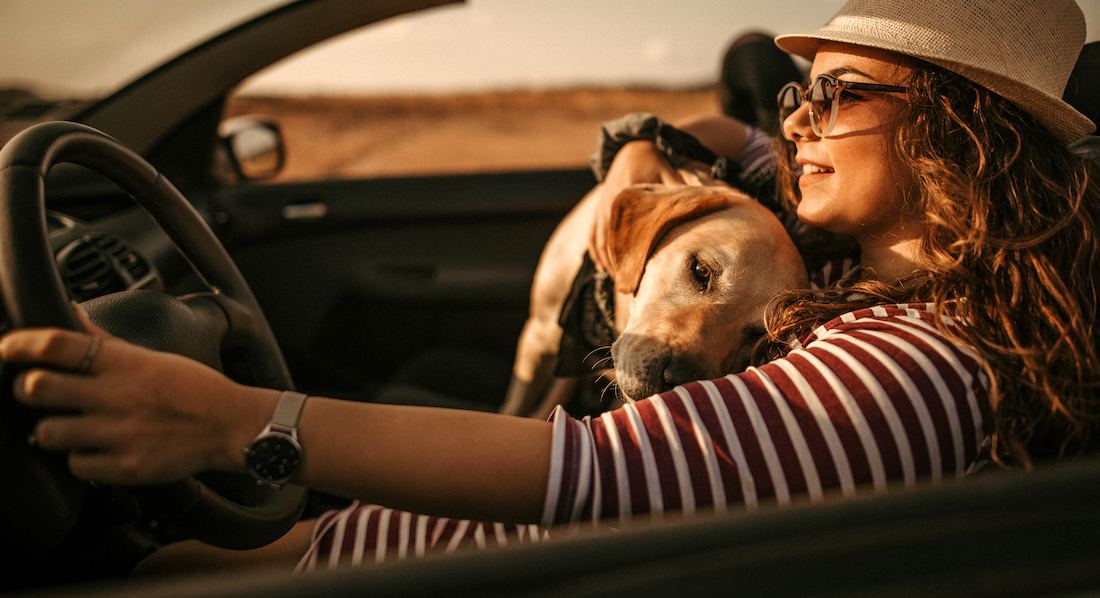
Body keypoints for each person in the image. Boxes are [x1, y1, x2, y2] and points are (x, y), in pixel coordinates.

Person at [2, 0, 1098, 574]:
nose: (798, 121)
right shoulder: (846, 242)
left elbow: (589, 470)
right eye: (799, 93)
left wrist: (238, 422)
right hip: (387, 539)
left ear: (963, 133)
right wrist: (634, 164)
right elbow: (695, 133)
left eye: (841, 94)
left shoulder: (915, 365)